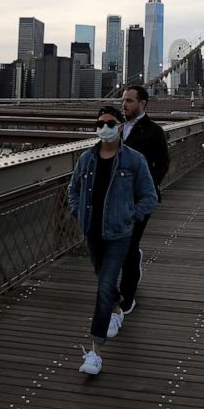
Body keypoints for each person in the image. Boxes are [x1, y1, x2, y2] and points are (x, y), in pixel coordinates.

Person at [69, 105, 157, 375]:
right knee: (105, 285)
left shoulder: (134, 160)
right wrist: (77, 211)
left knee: (104, 285)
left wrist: (130, 216)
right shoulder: (86, 159)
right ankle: (117, 309)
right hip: (92, 233)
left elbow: (149, 197)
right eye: (100, 123)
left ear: (120, 125)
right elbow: (73, 191)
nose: (104, 127)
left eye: (110, 122)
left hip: (119, 234)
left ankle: (95, 354)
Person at [119, 85, 170, 316]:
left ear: (143, 104)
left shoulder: (154, 132)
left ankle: (127, 298)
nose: (124, 104)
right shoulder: (115, 127)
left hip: (139, 200)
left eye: (129, 101)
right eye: (123, 100)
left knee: (128, 246)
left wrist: (147, 188)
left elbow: (163, 165)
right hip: (116, 199)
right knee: (119, 246)